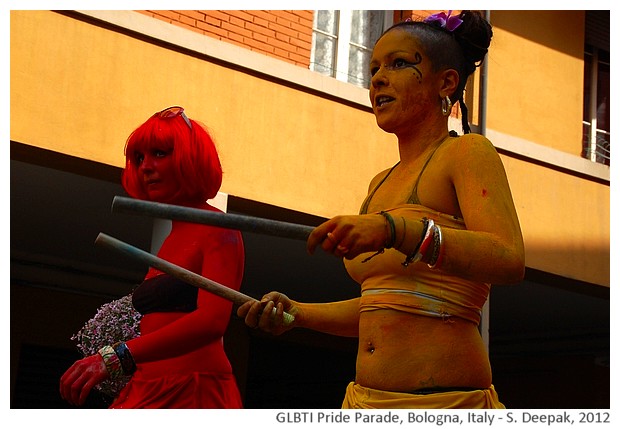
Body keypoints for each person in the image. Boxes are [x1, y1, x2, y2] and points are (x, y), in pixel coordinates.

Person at [238, 11, 525, 409]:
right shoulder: (378, 185)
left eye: (400, 64)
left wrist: (396, 230)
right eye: (374, 68)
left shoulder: (467, 151)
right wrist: (298, 314)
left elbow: (509, 258)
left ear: (447, 82)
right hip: (362, 400)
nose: (377, 78)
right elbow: (382, 308)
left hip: (443, 403)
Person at [60, 106, 245, 408]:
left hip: (192, 390)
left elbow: (212, 321)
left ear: (190, 158)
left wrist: (117, 356)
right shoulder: (172, 238)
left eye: (159, 153)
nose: (145, 166)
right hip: (148, 385)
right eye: (139, 158)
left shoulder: (218, 227)